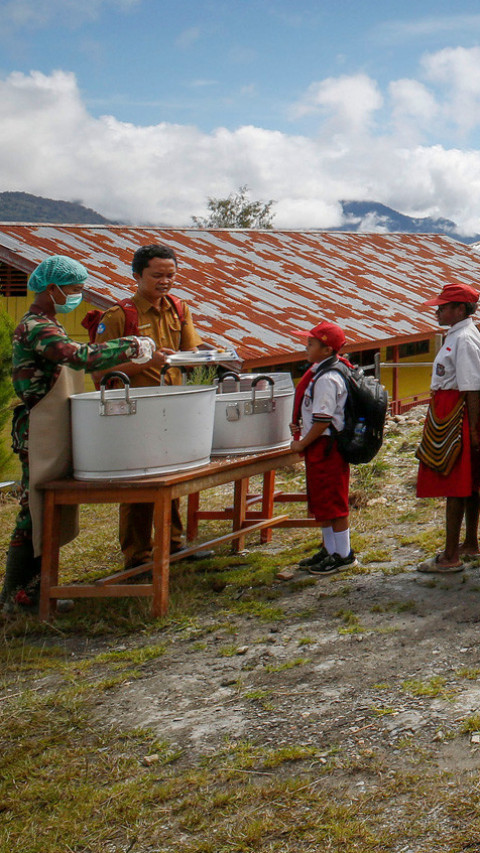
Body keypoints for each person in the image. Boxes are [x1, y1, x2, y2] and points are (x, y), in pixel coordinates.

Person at [0, 254, 157, 614]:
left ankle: (37, 592)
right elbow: (75, 355)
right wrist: (129, 346)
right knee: (34, 512)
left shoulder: (48, 321)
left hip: (52, 425)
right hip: (38, 429)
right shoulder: (37, 326)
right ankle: (18, 597)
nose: (78, 295)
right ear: (51, 288)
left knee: (47, 514)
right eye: (73, 289)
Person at [94, 243, 209, 571]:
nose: (165, 281)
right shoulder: (119, 316)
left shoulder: (178, 308)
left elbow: (191, 351)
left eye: (170, 275)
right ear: (137, 275)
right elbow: (100, 371)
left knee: (171, 475)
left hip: (171, 407)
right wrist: (142, 361)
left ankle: (173, 544)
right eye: (157, 275)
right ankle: (138, 556)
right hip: (134, 411)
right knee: (139, 482)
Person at [416, 283, 480, 573]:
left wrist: (475, 431)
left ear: (460, 309)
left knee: (458, 483)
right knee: (468, 483)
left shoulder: (465, 339)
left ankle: (451, 556)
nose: (438, 310)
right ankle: (469, 543)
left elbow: (472, 387)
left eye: (443, 306)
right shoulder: (456, 336)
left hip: (457, 413)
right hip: (451, 410)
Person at [290, 320, 357, 575]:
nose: (306, 348)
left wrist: (302, 443)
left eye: (311, 344)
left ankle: (343, 554)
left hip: (327, 445)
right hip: (319, 446)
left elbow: (322, 420)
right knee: (322, 502)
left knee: (334, 502)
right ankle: (330, 549)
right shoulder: (320, 371)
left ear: (327, 350)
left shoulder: (328, 378)